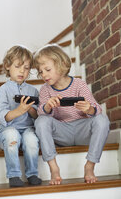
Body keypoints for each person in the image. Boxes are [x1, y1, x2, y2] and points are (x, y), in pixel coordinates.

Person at [33, 43, 110, 185]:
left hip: (82, 130)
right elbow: (40, 113)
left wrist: (89, 109)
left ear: (62, 64)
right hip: (62, 132)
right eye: (40, 71)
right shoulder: (45, 89)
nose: (43, 74)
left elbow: (97, 109)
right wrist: (48, 106)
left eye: (47, 69)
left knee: (102, 120)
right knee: (41, 121)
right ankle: (54, 168)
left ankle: (90, 166)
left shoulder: (79, 84)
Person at [0, 45, 42, 187]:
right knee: (12, 135)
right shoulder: (3, 90)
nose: (22, 71)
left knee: (31, 140)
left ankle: (32, 174)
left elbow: (37, 115)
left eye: (27, 68)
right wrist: (19, 110)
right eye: (18, 66)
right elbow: (2, 115)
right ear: (7, 66)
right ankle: (14, 176)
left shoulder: (33, 90)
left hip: (27, 128)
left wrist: (29, 109)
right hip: (7, 129)